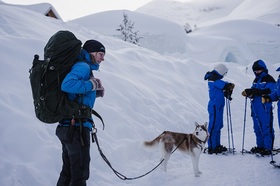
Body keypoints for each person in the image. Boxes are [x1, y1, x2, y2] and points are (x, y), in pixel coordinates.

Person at [55, 40, 106, 186]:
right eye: (100, 54)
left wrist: (95, 92)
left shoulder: (83, 67)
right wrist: (92, 84)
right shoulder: (83, 66)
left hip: (69, 126)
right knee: (80, 173)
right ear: (91, 52)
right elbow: (67, 85)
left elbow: (75, 95)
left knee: (69, 171)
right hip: (76, 127)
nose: (102, 58)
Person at [242, 59, 276, 155]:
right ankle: (260, 146)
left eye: (259, 70)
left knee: (266, 127)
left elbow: (271, 91)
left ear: (263, 69)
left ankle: (267, 148)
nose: (257, 72)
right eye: (255, 70)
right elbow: (254, 91)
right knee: (257, 128)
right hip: (255, 106)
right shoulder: (256, 80)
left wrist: (256, 92)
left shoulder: (269, 79)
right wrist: (249, 93)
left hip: (264, 107)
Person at [204, 64, 235, 154]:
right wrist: (228, 86)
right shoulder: (213, 79)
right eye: (224, 73)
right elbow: (223, 85)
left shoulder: (216, 79)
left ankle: (217, 145)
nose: (224, 75)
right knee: (213, 126)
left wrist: (228, 90)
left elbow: (223, 86)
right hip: (214, 106)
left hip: (219, 106)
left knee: (218, 125)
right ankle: (212, 146)